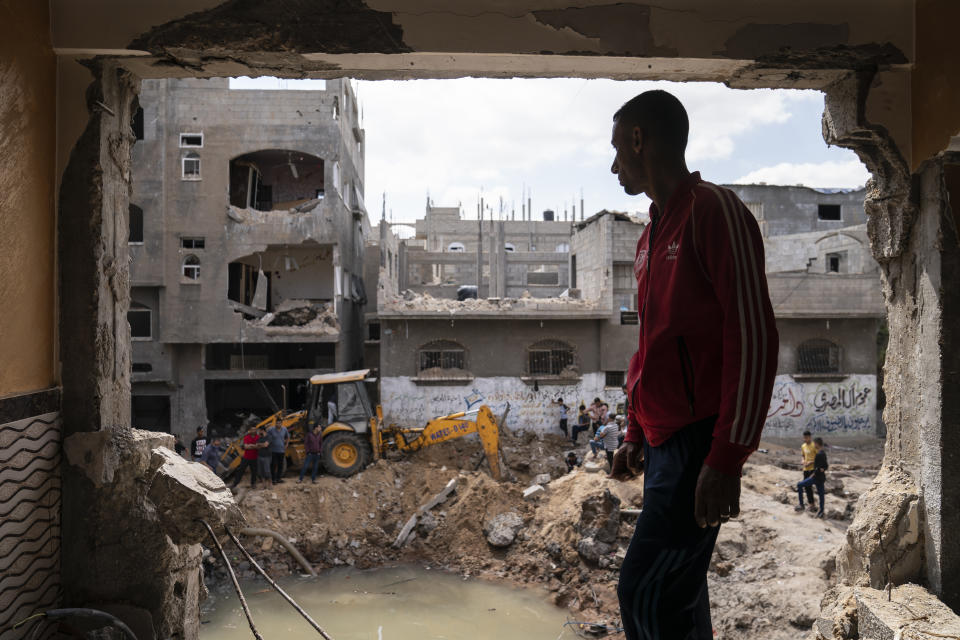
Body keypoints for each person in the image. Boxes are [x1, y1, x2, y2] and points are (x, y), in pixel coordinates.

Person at [607, 90, 779, 640]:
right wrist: (636, 431)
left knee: (644, 592)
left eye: (617, 150)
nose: (614, 166)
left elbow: (752, 335)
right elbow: (651, 345)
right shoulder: (648, 236)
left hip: (698, 443)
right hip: (660, 444)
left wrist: (726, 457)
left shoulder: (714, 210)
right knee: (679, 593)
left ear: (639, 140)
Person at [796, 438, 828, 517]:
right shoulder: (823, 453)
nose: (814, 445)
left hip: (816, 478)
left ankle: (801, 505)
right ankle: (821, 511)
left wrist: (813, 474)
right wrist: (823, 469)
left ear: (817, 444)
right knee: (821, 495)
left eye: (814, 444)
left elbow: (817, 467)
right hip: (821, 478)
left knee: (799, 485)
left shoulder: (819, 454)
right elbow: (826, 466)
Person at [800, 430, 817, 509]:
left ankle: (815, 504)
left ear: (810, 437)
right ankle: (811, 503)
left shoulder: (814, 445)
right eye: (804, 438)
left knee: (812, 486)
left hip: (813, 469)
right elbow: (803, 455)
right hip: (805, 469)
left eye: (806, 438)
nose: (805, 439)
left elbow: (818, 458)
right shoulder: (803, 446)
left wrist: (811, 462)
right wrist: (803, 460)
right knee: (806, 487)